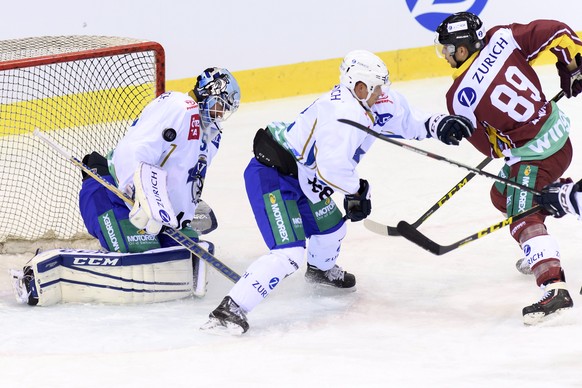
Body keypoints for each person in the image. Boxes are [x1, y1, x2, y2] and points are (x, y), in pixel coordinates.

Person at [201, 49, 475, 334]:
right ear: (360, 86)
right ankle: (230, 309)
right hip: (274, 176)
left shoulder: (368, 100)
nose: (382, 93)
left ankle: (319, 271)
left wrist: (437, 124)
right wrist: (357, 191)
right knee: (289, 254)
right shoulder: (342, 113)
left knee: (332, 228)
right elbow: (332, 169)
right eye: (377, 87)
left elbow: (404, 119)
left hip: (305, 178)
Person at [11, 67, 241, 306]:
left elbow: (186, 179)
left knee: (184, 254)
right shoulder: (180, 107)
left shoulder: (211, 135)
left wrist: (181, 216)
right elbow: (133, 150)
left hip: (157, 211)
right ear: (207, 93)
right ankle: (47, 268)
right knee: (139, 251)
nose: (221, 112)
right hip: (114, 194)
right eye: (219, 104)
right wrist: (141, 195)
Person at [434, 12, 582, 324]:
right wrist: (571, 68)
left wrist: (501, 135)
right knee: (502, 193)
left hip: (536, 156)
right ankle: (539, 244)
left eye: (447, 48)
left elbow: (492, 148)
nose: (445, 55)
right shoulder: (503, 38)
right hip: (559, 138)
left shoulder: (459, 97)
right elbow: (557, 32)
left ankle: (553, 286)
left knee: (520, 213)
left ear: (461, 49)